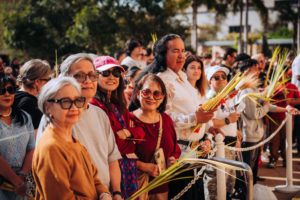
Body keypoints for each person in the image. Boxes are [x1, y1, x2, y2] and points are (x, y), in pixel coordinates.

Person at [129, 34, 215, 200]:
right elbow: (162, 117)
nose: (182, 55)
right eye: (175, 51)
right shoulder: (161, 80)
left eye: (183, 50)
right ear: (163, 54)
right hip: (177, 156)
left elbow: (195, 106)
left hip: (194, 153)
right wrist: (195, 119)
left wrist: (208, 129)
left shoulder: (182, 77)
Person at [36, 53, 123, 200]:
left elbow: (108, 161)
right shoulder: (54, 124)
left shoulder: (100, 114)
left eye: (92, 75)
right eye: (79, 76)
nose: (87, 81)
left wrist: (112, 193)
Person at [236, 59, 299, 184]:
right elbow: (254, 113)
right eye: (256, 70)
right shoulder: (245, 90)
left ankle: (252, 184)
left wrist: (285, 109)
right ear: (246, 72)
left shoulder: (252, 88)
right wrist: (266, 104)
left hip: (255, 132)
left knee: (252, 165)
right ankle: (246, 190)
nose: (259, 73)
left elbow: (266, 105)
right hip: (249, 134)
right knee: (247, 167)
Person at [91, 56, 145, 199]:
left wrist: (127, 133)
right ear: (95, 76)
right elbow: (114, 145)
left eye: (116, 73)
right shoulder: (94, 105)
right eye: (106, 73)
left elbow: (141, 133)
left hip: (127, 169)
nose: (112, 77)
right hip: (111, 172)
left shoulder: (117, 104)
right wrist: (129, 138)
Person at [130, 74, 181, 199]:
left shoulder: (166, 120)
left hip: (161, 189)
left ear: (163, 98)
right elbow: (119, 156)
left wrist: (173, 160)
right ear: (138, 93)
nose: (151, 97)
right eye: (146, 92)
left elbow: (175, 149)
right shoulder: (129, 120)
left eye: (157, 94)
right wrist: (143, 166)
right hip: (136, 189)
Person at [205, 66, 242, 199]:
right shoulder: (210, 98)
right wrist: (227, 120)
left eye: (224, 77)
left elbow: (231, 118)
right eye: (216, 77)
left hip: (230, 144)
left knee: (228, 184)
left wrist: (235, 133)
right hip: (219, 145)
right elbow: (209, 122)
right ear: (210, 81)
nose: (221, 80)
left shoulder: (227, 97)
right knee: (216, 185)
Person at [0, 74, 35, 200]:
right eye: (1, 91)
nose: (7, 94)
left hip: (23, 184)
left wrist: (22, 175)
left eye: (11, 90)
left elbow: (32, 148)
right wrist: (16, 181)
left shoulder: (25, 117)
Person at [14, 59, 51, 135]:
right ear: (37, 82)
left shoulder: (13, 95)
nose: (48, 83)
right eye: (47, 80)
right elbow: (34, 139)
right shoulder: (30, 103)